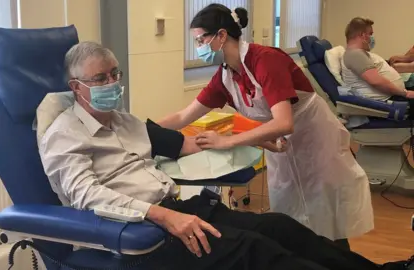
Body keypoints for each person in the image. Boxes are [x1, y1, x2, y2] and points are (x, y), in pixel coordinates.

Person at [38, 41, 414, 270]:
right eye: (100, 79)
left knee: (280, 227)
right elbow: (85, 196)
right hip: (139, 232)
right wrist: (164, 215)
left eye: (114, 74)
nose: (111, 84)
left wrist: (252, 137)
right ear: (76, 87)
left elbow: (187, 139)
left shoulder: (125, 121)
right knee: (257, 251)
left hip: (182, 211)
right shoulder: (64, 135)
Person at [158, 4, 374, 250]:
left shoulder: (265, 60)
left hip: (315, 138)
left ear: (221, 36)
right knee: (291, 216)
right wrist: (142, 129)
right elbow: (183, 116)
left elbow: (284, 122)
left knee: (325, 215)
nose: (199, 48)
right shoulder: (225, 76)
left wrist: (227, 141)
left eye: (201, 39)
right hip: (282, 147)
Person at [341, 17, 414, 100]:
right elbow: (376, 81)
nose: (372, 38)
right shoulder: (355, 55)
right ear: (362, 35)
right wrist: (405, 93)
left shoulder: (357, 53)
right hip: (391, 99)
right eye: (370, 34)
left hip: (393, 95)